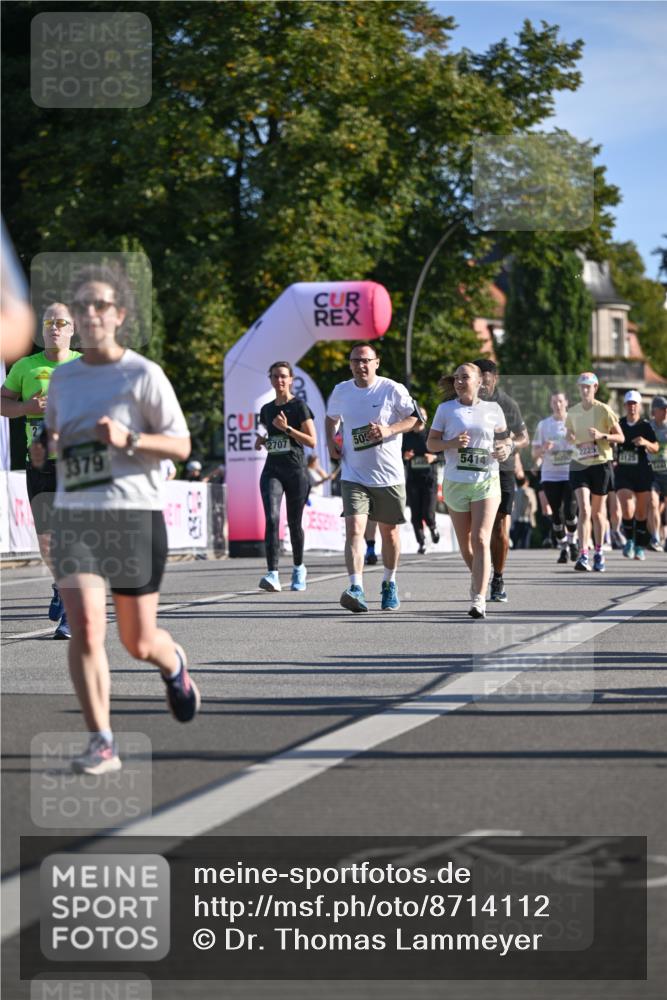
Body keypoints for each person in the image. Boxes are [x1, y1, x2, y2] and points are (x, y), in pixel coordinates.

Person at [33, 263, 199, 774]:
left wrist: (128, 439)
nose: (89, 313)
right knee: (84, 627)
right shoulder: (63, 380)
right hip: (76, 515)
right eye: (80, 306)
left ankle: (173, 666)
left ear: (119, 315)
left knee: (137, 640)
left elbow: (180, 444)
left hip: (133, 515)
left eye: (99, 305)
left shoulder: (142, 374)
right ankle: (101, 740)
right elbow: (54, 442)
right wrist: (46, 447)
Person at [1, 303, 81, 637]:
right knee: (48, 541)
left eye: (61, 322)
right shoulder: (25, 366)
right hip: (39, 463)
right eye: (49, 322)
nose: (55, 327)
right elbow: (2, 403)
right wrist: (27, 407)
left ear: (72, 329)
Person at [326, 343, 418, 612]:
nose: (360, 365)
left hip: (389, 475)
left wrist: (389, 430)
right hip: (353, 474)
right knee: (354, 529)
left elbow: (415, 419)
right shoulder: (341, 391)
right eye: (355, 361)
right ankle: (356, 587)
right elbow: (331, 418)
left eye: (366, 360)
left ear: (377, 362)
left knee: (389, 534)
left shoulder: (392, 389)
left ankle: (389, 582)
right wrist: (331, 441)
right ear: (350, 363)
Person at [427, 363, 511, 619]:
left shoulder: (493, 410)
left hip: (486, 480)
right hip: (455, 481)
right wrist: (451, 443)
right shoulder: (445, 410)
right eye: (457, 379)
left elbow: (505, 439)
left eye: (465, 378)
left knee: (482, 538)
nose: (460, 382)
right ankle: (478, 578)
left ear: (479, 382)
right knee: (466, 545)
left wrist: (506, 449)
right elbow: (431, 444)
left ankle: (478, 598)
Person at [255, 361, 316, 592]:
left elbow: (311, 441)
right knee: (271, 518)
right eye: (275, 376)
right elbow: (269, 437)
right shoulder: (266, 410)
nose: (279, 380)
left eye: (283, 376)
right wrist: (262, 441)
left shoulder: (299, 406)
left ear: (291, 379)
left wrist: (287, 428)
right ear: (270, 379)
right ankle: (272, 574)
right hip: (272, 470)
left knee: (293, 523)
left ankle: (299, 567)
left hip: (295, 471)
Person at [473, 358, 529, 602]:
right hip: (471, 469)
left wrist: (510, 444)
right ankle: (478, 574)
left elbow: (524, 437)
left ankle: (498, 577)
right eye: (479, 383)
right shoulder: (465, 400)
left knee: (499, 527)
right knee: (473, 530)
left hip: (502, 469)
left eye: (485, 383)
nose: (482, 388)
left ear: (494, 379)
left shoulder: (507, 404)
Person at [565, 372, 624, 572]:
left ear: (595, 388)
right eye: (581, 387)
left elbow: (621, 437)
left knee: (598, 513)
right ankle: (583, 555)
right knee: (584, 509)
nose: (584, 390)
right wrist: (571, 437)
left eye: (588, 387)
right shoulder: (572, 412)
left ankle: (599, 552)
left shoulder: (604, 410)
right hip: (579, 464)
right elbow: (568, 436)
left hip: (601, 464)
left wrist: (602, 435)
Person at [532, 392, 578, 564]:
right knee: (557, 516)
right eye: (554, 402)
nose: (557, 405)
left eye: (560, 401)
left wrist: (574, 440)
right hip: (550, 475)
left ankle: (573, 542)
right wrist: (543, 448)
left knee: (570, 513)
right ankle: (563, 546)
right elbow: (534, 452)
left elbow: (585, 445)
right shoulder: (544, 425)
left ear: (566, 402)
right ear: (551, 404)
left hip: (571, 473)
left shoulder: (574, 422)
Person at [615, 390, 659, 561]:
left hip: (642, 471)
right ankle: (630, 541)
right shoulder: (619, 424)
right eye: (629, 404)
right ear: (625, 406)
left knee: (641, 512)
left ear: (639, 406)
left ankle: (640, 546)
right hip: (624, 471)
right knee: (626, 506)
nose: (632, 407)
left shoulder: (645, 426)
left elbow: (655, 447)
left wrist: (645, 442)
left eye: (635, 404)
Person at [402, 408, 440, 554]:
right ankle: (422, 543)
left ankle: (433, 527)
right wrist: (405, 456)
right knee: (415, 515)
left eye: (421, 416)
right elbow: (400, 456)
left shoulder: (432, 434)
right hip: (413, 479)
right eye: (416, 416)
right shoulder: (406, 437)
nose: (418, 419)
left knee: (428, 513)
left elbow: (445, 453)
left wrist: (434, 457)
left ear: (426, 417)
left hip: (429, 479)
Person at [648, 395, 667, 550]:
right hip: (652, 472)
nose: (665, 411)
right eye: (662, 409)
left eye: (666, 409)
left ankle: (665, 537)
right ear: (654, 411)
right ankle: (655, 537)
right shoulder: (648, 427)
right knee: (654, 503)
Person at [510, 474, 537, 549]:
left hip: (516, 520)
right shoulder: (529, 491)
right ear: (526, 482)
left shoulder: (515, 492)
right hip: (527, 519)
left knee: (515, 541)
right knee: (525, 541)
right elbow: (533, 506)